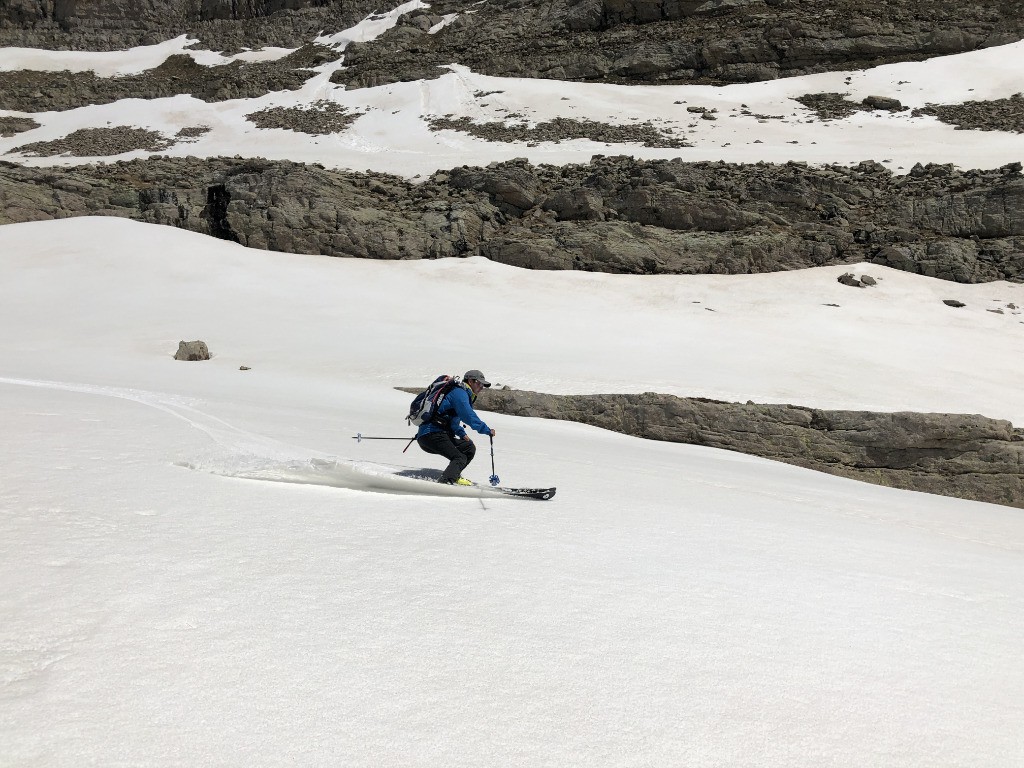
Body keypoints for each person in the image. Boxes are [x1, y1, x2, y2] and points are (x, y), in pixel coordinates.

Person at [416, 369, 496, 485]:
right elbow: (468, 416)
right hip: (431, 434)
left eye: (483, 385)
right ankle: (446, 481)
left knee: (469, 448)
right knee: (460, 457)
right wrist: (486, 430)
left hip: (435, 434)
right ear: (470, 381)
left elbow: (453, 420)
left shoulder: (462, 393)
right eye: (479, 383)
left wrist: (461, 434)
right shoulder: (459, 393)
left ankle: (453, 475)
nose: (481, 387)